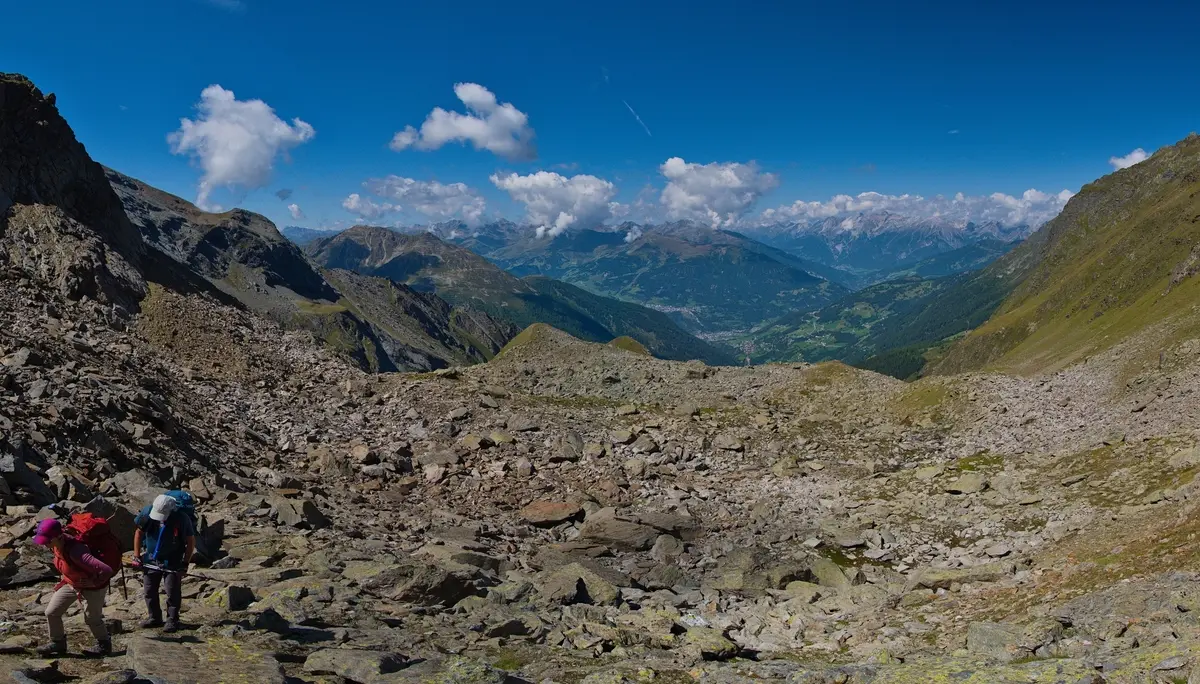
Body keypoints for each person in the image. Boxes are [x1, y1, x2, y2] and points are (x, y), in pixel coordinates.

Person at [32, 519, 114, 657]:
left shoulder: (77, 551)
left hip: (93, 588)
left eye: (47, 541)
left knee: (92, 619)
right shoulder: (56, 545)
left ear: (58, 536)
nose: (45, 544)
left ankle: (104, 645)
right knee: (51, 612)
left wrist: (93, 583)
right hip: (71, 583)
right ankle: (58, 643)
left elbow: (106, 570)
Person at [133, 494, 195, 632]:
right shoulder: (147, 512)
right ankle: (154, 617)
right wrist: (136, 556)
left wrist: (185, 563)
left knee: (172, 591)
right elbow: (138, 533)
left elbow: (190, 541)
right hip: (150, 558)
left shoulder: (181, 518)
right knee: (149, 590)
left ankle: (173, 620)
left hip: (173, 560)